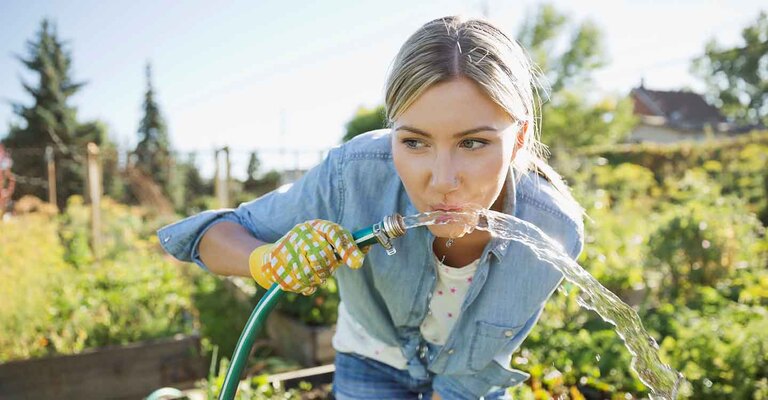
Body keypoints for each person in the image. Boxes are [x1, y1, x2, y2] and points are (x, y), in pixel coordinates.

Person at [158, 15, 584, 400]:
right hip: (370, 359)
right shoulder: (355, 175)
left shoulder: (552, 229)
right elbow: (208, 234)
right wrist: (268, 261)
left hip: (471, 377)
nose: (442, 179)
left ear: (521, 140)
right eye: (414, 142)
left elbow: (482, 364)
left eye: (473, 143)